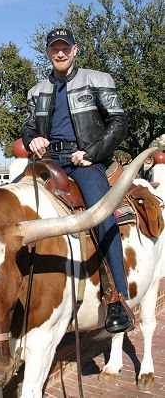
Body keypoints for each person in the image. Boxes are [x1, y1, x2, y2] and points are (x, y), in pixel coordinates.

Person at [22, 27, 134, 334]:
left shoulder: (97, 80)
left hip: (83, 160)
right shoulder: (37, 90)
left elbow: (118, 120)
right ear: (48, 52)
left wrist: (92, 153)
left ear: (75, 50)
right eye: (54, 48)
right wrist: (33, 140)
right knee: (14, 207)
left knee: (102, 215)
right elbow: (29, 128)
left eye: (65, 48)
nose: (60, 53)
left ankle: (117, 297)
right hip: (47, 162)